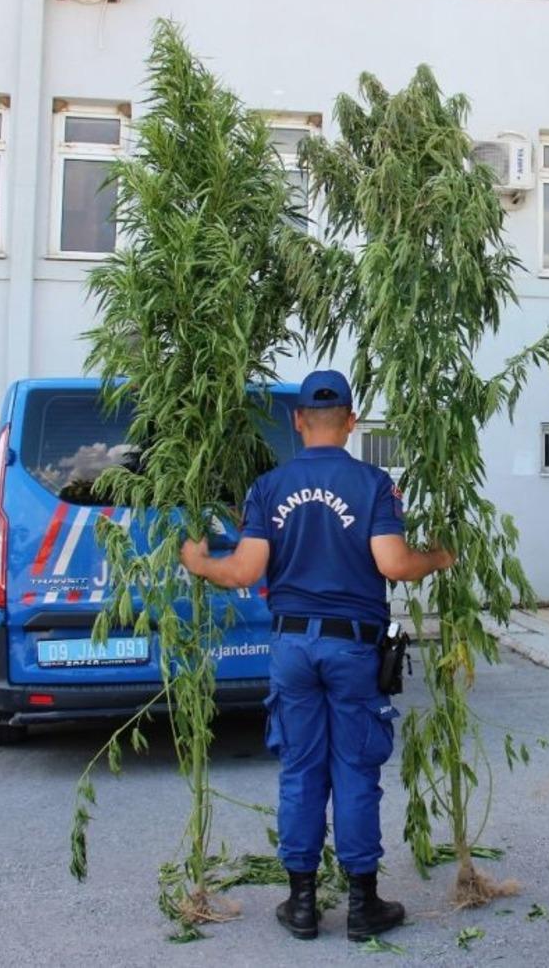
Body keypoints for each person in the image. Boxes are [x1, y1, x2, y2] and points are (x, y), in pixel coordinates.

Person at [180, 370, 453, 943]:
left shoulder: (269, 486)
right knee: (354, 767)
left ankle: (301, 902)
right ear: (351, 421)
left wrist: (199, 563)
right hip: (352, 645)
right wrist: (438, 557)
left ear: (298, 420)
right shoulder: (373, 483)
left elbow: (246, 571)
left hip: (293, 645)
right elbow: (393, 563)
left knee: (302, 768)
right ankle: (362, 905)